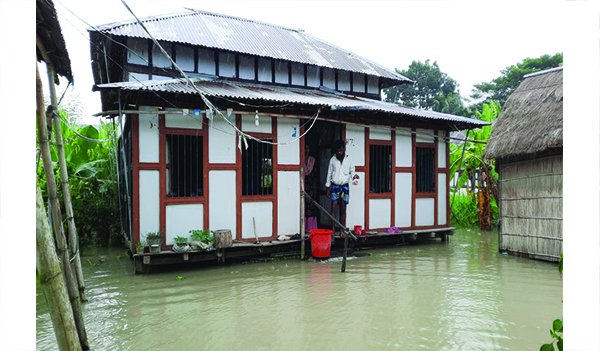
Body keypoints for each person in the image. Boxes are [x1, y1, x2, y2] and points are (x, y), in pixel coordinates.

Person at [325, 139, 359, 231]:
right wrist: (328, 188)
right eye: (337, 151)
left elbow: (352, 171)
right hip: (335, 186)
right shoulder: (332, 159)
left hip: (345, 186)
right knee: (334, 208)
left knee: (343, 209)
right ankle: (332, 231)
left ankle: (342, 230)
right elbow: (329, 173)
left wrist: (354, 176)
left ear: (344, 149)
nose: (339, 153)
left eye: (341, 150)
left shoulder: (349, 159)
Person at [304, 145, 318, 232]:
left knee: (311, 206)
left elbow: (315, 173)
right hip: (302, 186)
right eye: (305, 148)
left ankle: (311, 228)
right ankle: (303, 227)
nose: (306, 150)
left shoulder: (312, 160)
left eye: (308, 148)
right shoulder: (299, 159)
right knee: (303, 206)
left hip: (310, 186)